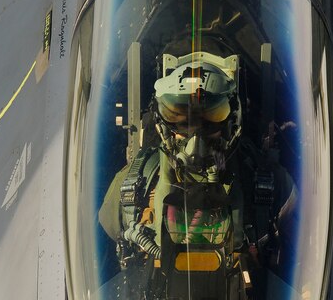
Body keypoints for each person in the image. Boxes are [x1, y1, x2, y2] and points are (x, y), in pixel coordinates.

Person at [98, 53, 297, 272]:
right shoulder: (129, 189)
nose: (195, 138)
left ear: (232, 122)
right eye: (179, 118)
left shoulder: (274, 188)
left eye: (211, 117)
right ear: (163, 125)